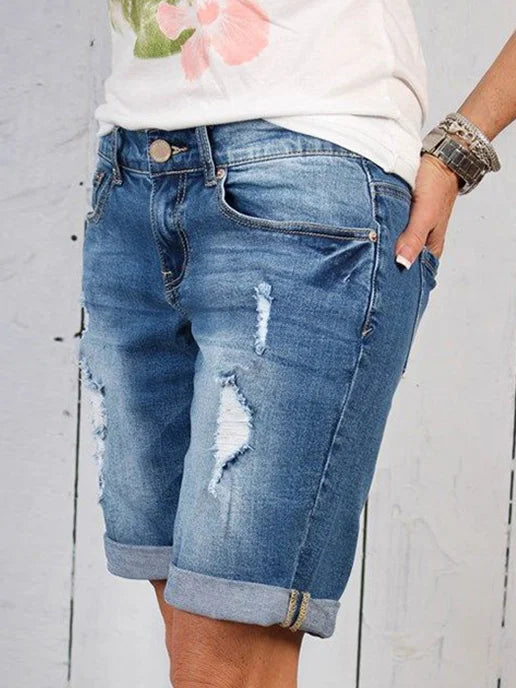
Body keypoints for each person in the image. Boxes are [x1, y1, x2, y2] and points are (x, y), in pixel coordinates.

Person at [79, 1, 516, 686]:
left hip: (307, 180)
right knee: (198, 644)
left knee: (221, 661)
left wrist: (461, 146)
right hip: (130, 178)